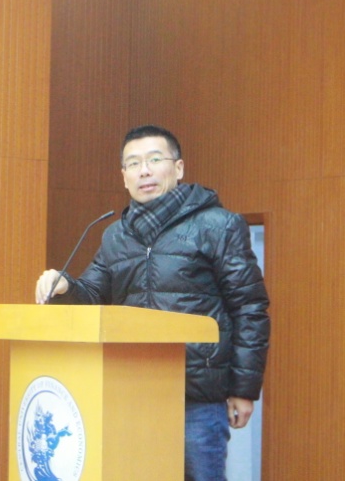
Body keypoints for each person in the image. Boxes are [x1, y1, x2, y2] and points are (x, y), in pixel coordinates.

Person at [35, 124, 270, 481]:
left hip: (197, 397)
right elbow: (93, 295)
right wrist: (65, 286)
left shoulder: (218, 225)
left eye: (155, 159)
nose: (144, 170)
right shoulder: (115, 235)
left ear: (178, 168)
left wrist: (243, 389)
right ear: (124, 177)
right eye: (133, 163)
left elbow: (249, 308)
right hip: (133, 390)